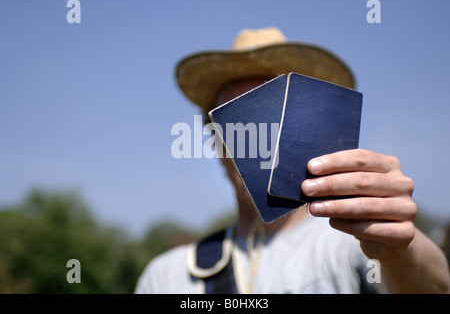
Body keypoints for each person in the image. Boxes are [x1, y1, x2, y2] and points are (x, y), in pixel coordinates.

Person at [135, 27, 450, 293]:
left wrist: (399, 250)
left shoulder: (355, 244)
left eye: (271, 116)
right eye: (236, 123)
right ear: (217, 145)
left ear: (307, 129)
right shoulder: (168, 278)